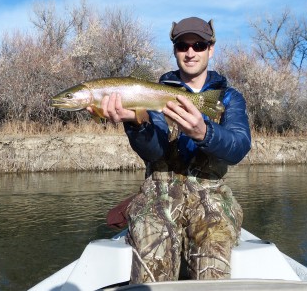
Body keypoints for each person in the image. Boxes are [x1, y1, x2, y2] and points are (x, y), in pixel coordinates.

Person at [90, 17, 251, 283]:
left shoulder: (229, 97)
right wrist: (136, 123)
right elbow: (154, 152)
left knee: (213, 261)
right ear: (174, 50)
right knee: (151, 256)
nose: (190, 52)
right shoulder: (153, 92)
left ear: (211, 49)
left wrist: (205, 133)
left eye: (199, 45)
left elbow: (238, 147)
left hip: (212, 197)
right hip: (157, 196)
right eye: (182, 46)